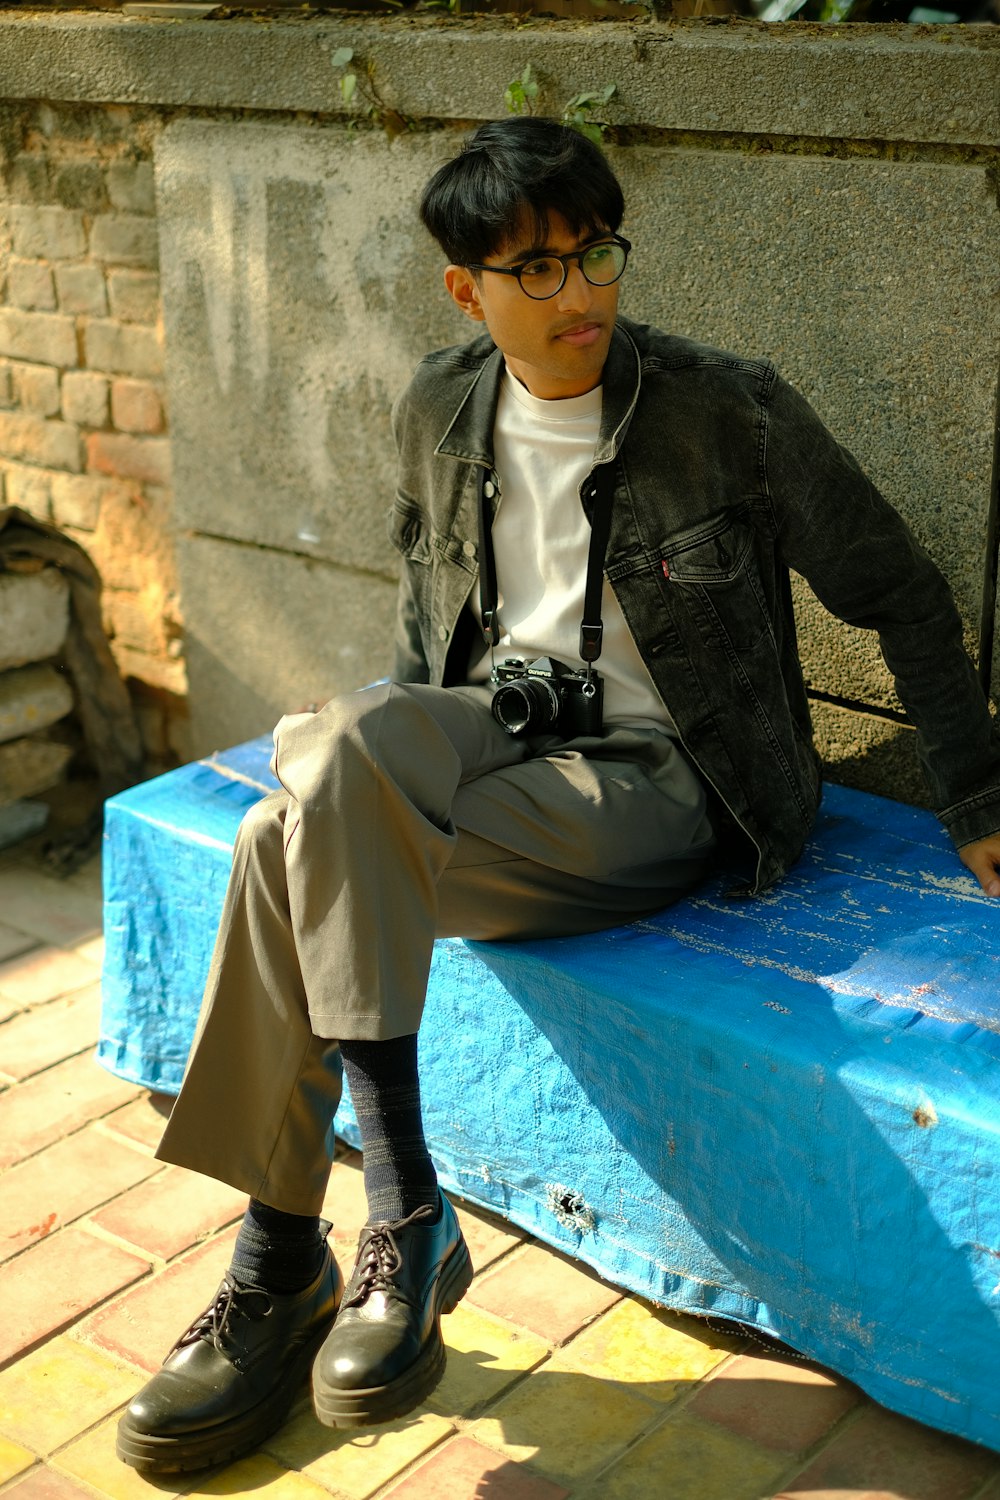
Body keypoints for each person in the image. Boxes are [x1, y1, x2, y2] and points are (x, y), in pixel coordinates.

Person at [116, 117, 1000, 1475]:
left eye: (595, 254)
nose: (580, 292)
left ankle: (305, 1241)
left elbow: (902, 594)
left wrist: (978, 799)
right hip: (508, 749)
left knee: (272, 836)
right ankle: (345, 1240)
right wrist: (386, 782)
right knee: (314, 801)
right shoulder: (440, 409)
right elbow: (426, 638)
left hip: (675, 789)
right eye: (535, 269)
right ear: (465, 290)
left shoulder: (728, 410)